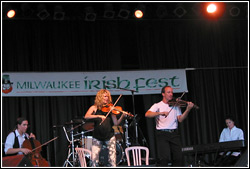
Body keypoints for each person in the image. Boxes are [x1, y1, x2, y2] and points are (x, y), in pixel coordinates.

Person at [145, 86, 194, 166]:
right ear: (163, 94)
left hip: (174, 133)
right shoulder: (157, 105)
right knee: (164, 157)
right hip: (162, 134)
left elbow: (180, 119)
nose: (171, 94)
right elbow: (147, 114)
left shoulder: (175, 105)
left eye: (171, 92)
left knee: (178, 157)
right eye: (168, 92)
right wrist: (160, 113)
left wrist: (188, 109)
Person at [84, 89, 126, 167]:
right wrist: (98, 115)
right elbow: (86, 116)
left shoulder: (111, 109)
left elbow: (116, 123)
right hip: (97, 136)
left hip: (109, 136)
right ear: (100, 97)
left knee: (112, 160)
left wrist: (122, 116)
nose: (107, 98)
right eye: (105, 96)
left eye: (108, 97)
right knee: (94, 160)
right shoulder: (94, 107)